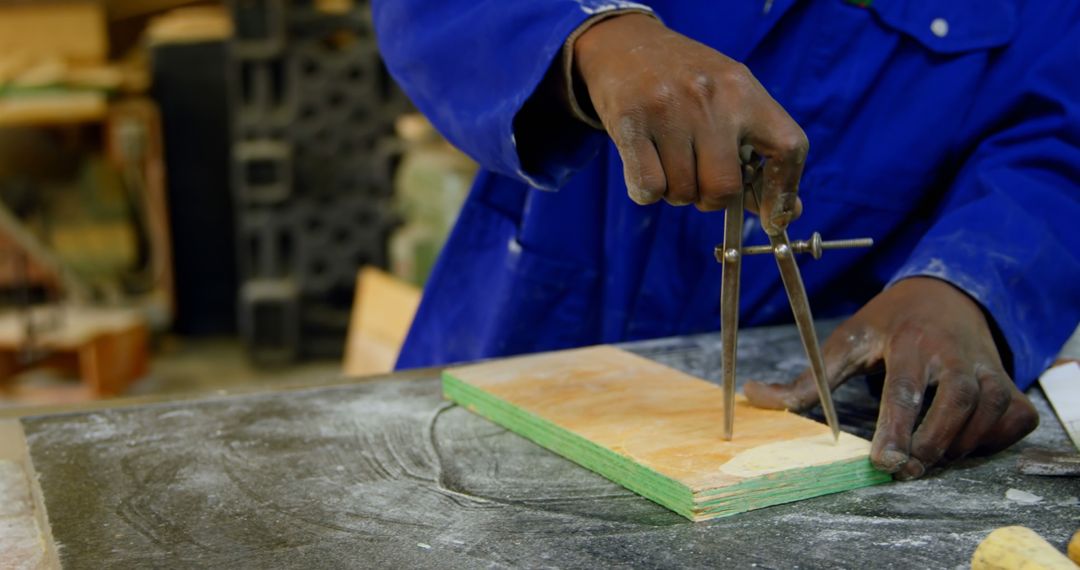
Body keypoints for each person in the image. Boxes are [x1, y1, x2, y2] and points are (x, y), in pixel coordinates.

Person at [372, 1, 1080, 480]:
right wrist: (590, 34)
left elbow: (1059, 144)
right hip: (534, 318)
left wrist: (969, 285)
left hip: (825, 368)